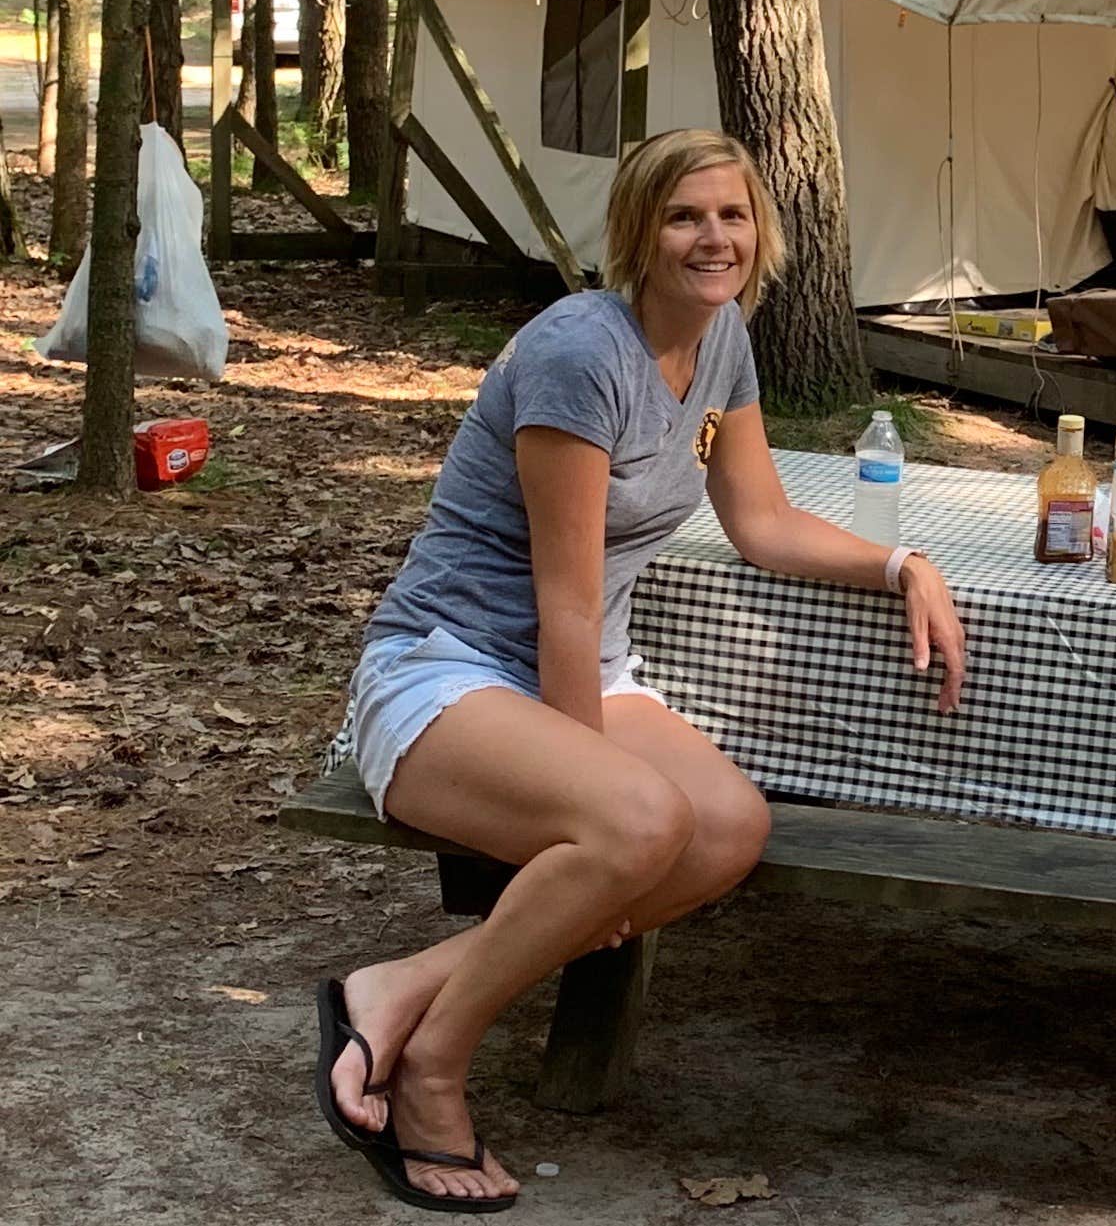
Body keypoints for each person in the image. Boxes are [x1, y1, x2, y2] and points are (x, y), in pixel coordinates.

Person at [312, 130, 969, 1212]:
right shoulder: (580, 353)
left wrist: (901, 563)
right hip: (449, 671)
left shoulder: (721, 340)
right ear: (636, 231)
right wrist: (608, 812)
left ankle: (397, 987)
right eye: (683, 217)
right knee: (635, 827)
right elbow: (562, 604)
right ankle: (435, 1067)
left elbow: (759, 522)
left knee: (728, 829)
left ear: (759, 234)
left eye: (731, 216)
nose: (713, 239)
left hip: (585, 668)